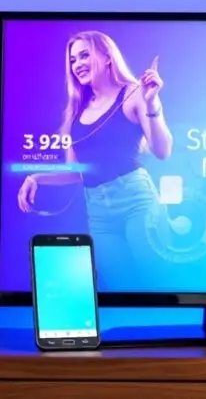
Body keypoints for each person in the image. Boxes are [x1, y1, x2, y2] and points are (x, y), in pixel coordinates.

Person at [17, 30, 174, 285]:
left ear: (107, 57)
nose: (77, 64)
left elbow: (163, 151)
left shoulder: (134, 94)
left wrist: (153, 104)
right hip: (99, 212)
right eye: (73, 60)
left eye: (84, 55)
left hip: (137, 201)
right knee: (121, 285)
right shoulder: (76, 112)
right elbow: (77, 173)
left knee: (155, 278)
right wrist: (36, 177)